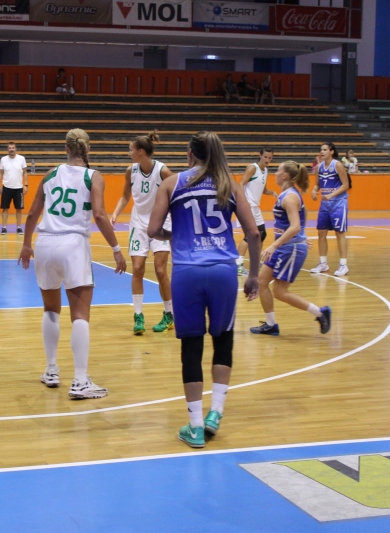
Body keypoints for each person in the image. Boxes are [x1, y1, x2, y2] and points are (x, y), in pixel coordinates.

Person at [147, 131, 261, 449]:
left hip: (187, 272)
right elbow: (254, 233)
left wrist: (176, 235)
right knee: (223, 340)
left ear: (190, 153)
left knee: (191, 347)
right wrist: (253, 275)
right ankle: (216, 413)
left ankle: (195, 426)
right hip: (223, 271)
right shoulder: (229, 184)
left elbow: (153, 229)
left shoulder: (172, 184)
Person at [19, 128, 127, 399]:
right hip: (73, 244)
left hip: (44, 243)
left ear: (66, 149)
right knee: (80, 315)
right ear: (88, 149)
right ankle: (80, 381)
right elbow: (100, 215)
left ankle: (51, 370)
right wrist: (116, 249)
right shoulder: (93, 176)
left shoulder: (50, 174)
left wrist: (26, 244)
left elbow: (32, 214)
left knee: (50, 309)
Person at [250, 161, 332, 336]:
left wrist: (275, 244)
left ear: (285, 175)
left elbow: (295, 226)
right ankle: (271, 325)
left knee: (280, 292)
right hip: (285, 246)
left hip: (290, 248)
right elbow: (304, 212)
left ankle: (320, 313)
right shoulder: (287, 195)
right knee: (262, 282)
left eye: (278, 171)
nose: (275, 173)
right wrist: (301, 234)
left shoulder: (289, 197)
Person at [110, 131, 175, 335]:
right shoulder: (131, 171)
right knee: (137, 268)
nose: (128, 153)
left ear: (140, 151)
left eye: (131, 150)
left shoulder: (163, 171)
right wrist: (116, 212)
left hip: (161, 223)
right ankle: (138, 316)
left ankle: (169, 314)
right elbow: (125, 195)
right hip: (138, 224)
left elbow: (177, 194)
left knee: (161, 270)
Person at [310, 142, 351, 276]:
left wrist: (331, 195)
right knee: (321, 232)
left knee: (339, 232)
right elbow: (317, 184)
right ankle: (323, 263)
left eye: (325, 149)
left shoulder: (337, 165)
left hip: (338, 203)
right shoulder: (319, 167)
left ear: (331, 151)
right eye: (321, 149)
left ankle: (343, 265)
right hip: (325, 204)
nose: (321, 152)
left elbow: (345, 185)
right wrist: (314, 190)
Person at [236, 148, 276, 276]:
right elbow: (241, 184)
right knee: (250, 236)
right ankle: (238, 265)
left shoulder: (265, 171)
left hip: (255, 207)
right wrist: (243, 202)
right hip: (248, 206)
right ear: (260, 155)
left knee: (262, 234)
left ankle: (256, 260)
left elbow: (263, 189)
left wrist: (272, 192)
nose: (267, 160)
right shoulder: (253, 168)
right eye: (265, 157)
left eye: (270, 158)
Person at [0, 142, 28, 235]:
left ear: (16, 149)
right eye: (10, 148)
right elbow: (0, 173)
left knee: (19, 209)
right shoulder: (3, 159)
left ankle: (19, 227)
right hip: (6, 187)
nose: (11, 149)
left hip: (18, 188)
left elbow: (25, 172)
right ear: (7, 149)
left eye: (13, 148)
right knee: (5, 208)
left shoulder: (21, 159)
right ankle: (4, 227)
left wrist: (26, 185)